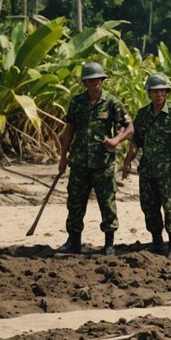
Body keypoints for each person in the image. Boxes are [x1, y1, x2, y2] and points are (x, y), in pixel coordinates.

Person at [56, 62, 134, 256]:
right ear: (85, 82)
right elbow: (69, 131)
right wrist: (63, 157)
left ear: (102, 81)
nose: (95, 84)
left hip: (103, 164)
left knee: (107, 203)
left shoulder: (112, 103)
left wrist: (116, 140)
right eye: (91, 81)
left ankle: (109, 244)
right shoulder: (76, 103)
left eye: (98, 80)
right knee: (75, 203)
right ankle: (73, 242)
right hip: (79, 162)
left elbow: (130, 127)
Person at [121, 73, 171, 261]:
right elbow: (135, 142)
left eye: (162, 91)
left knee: (170, 207)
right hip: (147, 170)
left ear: (166, 92)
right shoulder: (143, 114)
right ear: (149, 93)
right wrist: (128, 161)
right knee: (149, 207)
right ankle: (156, 241)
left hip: (167, 171)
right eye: (155, 91)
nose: (159, 94)